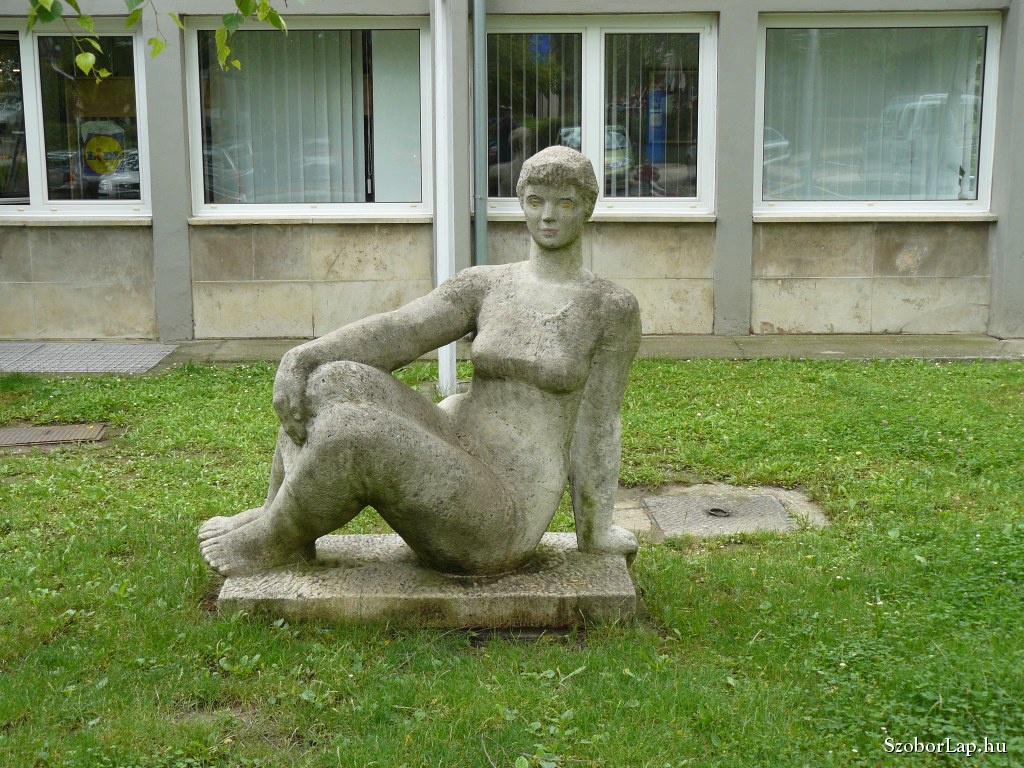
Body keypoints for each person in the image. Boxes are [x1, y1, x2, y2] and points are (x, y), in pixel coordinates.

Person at [199, 146, 641, 577]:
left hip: (506, 507)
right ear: (521, 203)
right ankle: (277, 512)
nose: (548, 216)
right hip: (456, 444)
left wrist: (596, 532)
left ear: (587, 208)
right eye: (536, 201)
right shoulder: (487, 285)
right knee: (330, 378)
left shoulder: (608, 307)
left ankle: (270, 538)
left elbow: (600, 422)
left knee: (356, 433)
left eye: (566, 203)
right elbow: (402, 329)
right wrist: (303, 356)